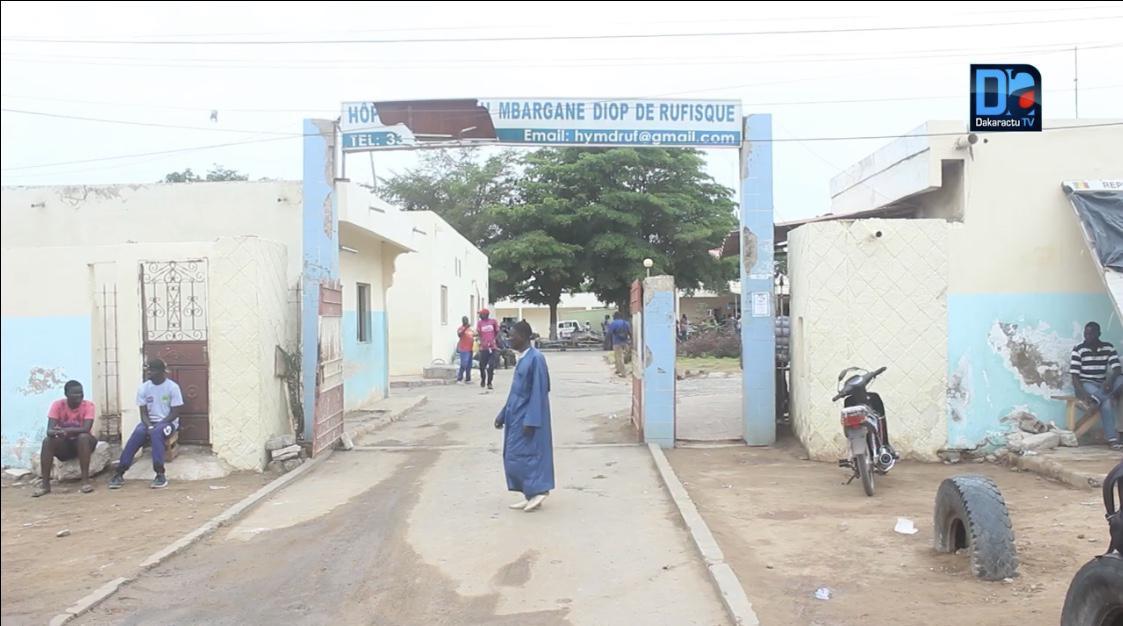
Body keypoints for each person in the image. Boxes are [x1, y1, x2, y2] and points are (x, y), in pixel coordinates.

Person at [494, 320, 554, 512]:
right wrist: (503, 414)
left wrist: (532, 419)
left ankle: (539, 490)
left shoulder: (536, 359)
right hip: (515, 416)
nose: (509, 339)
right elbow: (515, 392)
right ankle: (529, 492)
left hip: (528, 418)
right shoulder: (522, 359)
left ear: (524, 337)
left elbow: (539, 391)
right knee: (512, 456)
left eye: (513, 335)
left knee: (527, 455)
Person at [109, 359, 184, 489]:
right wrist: (149, 425)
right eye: (148, 370)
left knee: (157, 433)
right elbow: (143, 413)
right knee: (138, 433)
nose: (150, 373)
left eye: (153, 370)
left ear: (162, 372)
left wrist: (159, 424)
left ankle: (160, 474)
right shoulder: (143, 388)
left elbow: (175, 413)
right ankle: (120, 472)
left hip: (168, 423)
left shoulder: (172, 387)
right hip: (149, 422)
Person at [33, 380, 97, 497]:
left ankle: (85, 482)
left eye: (81, 393)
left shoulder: (88, 405)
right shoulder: (57, 405)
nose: (79, 396)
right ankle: (45, 485)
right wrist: (57, 433)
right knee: (48, 441)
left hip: (84, 443)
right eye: (75, 393)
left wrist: (66, 431)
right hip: (65, 444)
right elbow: (49, 430)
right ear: (66, 394)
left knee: (83, 437)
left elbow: (86, 428)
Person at [1071, 321, 1123, 449]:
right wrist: (1081, 392)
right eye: (1085, 333)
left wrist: (1110, 381)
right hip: (1087, 383)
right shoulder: (1078, 349)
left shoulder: (1108, 347)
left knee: (1120, 379)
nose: (1087, 336)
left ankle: (1096, 400)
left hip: (1103, 384)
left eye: (1090, 334)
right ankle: (1112, 439)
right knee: (1106, 403)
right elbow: (1075, 375)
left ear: (1098, 334)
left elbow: (1117, 369)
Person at [477, 309, 501, 390]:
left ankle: (489, 382)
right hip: (484, 348)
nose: (479, 316)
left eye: (481, 314)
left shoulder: (493, 322)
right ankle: (483, 379)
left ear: (485, 314)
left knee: (491, 366)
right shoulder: (479, 323)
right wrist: (481, 341)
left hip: (492, 347)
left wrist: (495, 340)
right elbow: (479, 334)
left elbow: (498, 332)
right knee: (481, 366)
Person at [608, 312, 632, 377]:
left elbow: (610, 333)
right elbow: (630, 332)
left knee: (619, 357)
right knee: (622, 357)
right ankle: (618, 370)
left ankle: (623, 373)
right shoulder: (626, 323)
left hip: (617, 343)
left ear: (615, 317)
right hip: (625, 342)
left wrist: (609, 343)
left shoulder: (613, 323)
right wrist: (631, 341)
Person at [456, 316, 474, 384]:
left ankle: (468, 379)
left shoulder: (470, 330)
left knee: (469, 365)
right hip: (464, 349)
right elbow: (460, 334)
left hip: (470, 349)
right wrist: (465, 328)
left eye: (467, 320)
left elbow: (474, 335)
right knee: (464, 364)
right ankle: (459, 379)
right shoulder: (460, 329)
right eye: (464, 320)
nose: (466, 321)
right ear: (462, 321)